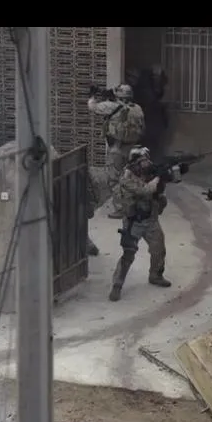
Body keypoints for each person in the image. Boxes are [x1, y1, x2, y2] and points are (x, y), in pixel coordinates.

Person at [108, 146, 178, 302]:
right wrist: (158, 177)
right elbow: (145, 190)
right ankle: (117, 285)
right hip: (134, 222)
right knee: (128, 254)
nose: (147, 163)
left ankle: (155, 275)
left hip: (151, 219)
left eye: (147, 160)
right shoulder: (127, 176)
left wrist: (174, 172)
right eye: (143, 160)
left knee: (159, 249)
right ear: (135, 162)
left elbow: (168, 181)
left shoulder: (149, 171)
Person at [87, 84, 145, 215]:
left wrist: (93, 96)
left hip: (117, 149)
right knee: (132, 177)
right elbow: (143, 128)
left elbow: (92, 107)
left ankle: (120, 208)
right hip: (133, 147)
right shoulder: (137, 108)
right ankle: (135, 206)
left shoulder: (111, 106)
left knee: (114, 179)